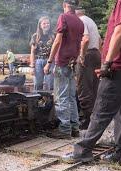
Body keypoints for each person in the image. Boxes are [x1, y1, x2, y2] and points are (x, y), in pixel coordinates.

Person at [63, 0, 121, 163]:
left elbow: (120, 31)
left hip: (119, 66)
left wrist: (108, 63)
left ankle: (83, 150)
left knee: (101, 110)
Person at [43, 0, 84, 139]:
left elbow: (58, 40)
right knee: (71, 97)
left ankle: (64, 130)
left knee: (61, 97)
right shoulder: (80, 22)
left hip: (61, 62)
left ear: (64, 4)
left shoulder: (63, 17)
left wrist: (49, 62)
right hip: (72, 63)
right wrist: (76, 58)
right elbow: (79, 44)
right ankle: (75, 128)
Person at [75, 8, 102, 130]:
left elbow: (85, 39)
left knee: (83, 87)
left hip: (87, 54)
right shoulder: (91, 21)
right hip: (96, 53)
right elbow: (100, 40)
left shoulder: (81, 21)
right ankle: (96, 119)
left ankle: (87, 121)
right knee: (94, 88)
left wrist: (81, 55)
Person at [29, 16, 55, 90]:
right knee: (37, 83)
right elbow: (32, 52)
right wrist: (32, 66)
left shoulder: (54, 35)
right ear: (40, 25)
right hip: (38, 62)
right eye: (44, 23)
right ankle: (37, 100)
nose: (46, 25)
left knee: (50, 84)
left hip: (50, 61)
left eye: (48, 23)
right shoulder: (35, 36)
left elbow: (57, 51)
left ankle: (49, 101)